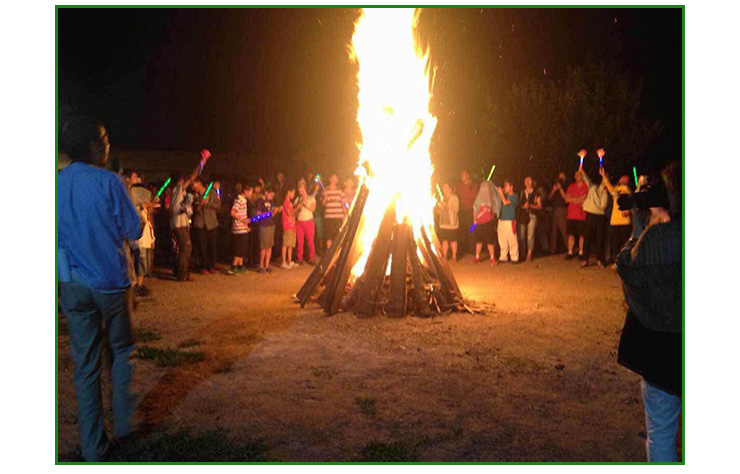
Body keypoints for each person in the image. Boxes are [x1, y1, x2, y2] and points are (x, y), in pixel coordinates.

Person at [58, 119, 142, 461]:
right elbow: (134, 229)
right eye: (105, 139)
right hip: (110, 282)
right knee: (122, 350)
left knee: (86, 366)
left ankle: (94, 447)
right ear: (93, 145)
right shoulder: (109, 181)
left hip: (72, 284)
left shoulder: (56, 183)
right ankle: (124, 423)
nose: (108, 145)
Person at [616, 162, 681, 462]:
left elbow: (626, 267)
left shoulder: (658, 239)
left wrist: (639, 228)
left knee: (662, 433)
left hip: (663, 353)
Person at [169, 149, 212, 281]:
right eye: (183, 180)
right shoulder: (178, 189)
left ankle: (179, 272)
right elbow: (193, 176)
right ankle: (182, 274)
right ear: (180, 181)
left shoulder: (175, 192)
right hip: (179, 224)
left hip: (178, 223)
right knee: (186, 248)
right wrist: (202, 162)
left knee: (183, 249)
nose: (186, 182)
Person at [599, 167, 633, 268]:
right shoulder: (618, 189)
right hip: (616, 220)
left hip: (623, 221)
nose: (621, 179)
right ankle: (619, 262)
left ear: (627, 181)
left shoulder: (625, 189)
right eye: (621, 178)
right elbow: (611, 189)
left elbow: (612, 190)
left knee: (623, 243)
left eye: (624, 179)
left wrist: (604, 177)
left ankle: (624, 262)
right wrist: (604, 176)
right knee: (616, 243)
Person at [580, 165, 609, 267]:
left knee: (599, 238)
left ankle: (600, 259)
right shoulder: (593, 187)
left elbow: (603, 206)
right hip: (590, 215)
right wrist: (581, 165)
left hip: (600, 216)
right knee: (587, 237)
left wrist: (595, 202)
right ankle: (585, 259)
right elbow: (585, 178)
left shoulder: (605, 191)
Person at [471, 180, 501, 264]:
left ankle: (492, 258)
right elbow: (475, 209)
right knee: (478, 240)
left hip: (489, 222)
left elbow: (495, 209)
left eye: (486, 187)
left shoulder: (492, 198)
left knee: (490, 240)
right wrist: (475, 220)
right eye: (483, 187)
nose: (485, 189)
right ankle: (477, 256)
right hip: (479, 223)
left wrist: (489, 210)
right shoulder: (478, 198)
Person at [228, 183, 252, 275]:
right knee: (239, 248)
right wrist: (243, 220)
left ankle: (240, 265)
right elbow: (232, 212)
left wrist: (246, 226)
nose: (251, 194)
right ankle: (233, 267)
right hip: (238, 229)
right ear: (245, 191)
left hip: (242, 228)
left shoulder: (244, 200)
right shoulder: (239, 200)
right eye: (250, 192)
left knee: (243, 248)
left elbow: (243, 215)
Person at [518, 176, 542, 262]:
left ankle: (529, 254)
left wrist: (530, 206)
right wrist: (523, 207)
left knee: (530, 236)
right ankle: (523, 253)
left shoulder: (536, 193)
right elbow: (518, 205)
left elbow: (539, 206)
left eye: (530, 180)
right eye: (526, 180)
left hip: (532, 215)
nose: (528, 182)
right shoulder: (521, 193)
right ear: (524, 182)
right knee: (521, 235)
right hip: (523, 216)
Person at [564, 169, 588, 260]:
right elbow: (567, 199)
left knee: (582, 235)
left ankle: (581, 252)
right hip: (571, 215)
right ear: (574, 176)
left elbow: (584, 199)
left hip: (581, 215)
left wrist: (573, 199)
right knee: (571, 234)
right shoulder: (571, 186)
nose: (578, 176)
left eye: (580, 175)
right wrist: (578, 199)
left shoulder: (586, 187)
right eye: (576, 175)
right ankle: (570, 252)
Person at [457, 169, 479, 256]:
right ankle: (463, 248)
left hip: (471, 211)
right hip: (462, 211)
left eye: (464, 174)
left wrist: (468, 193)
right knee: (462, 229)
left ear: (468, 175)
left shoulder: (473, 185)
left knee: (472, 229)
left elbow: (474, 195)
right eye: (461, 175)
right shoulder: (459, 186)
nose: (462, 176)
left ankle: (472, 248)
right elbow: (460, 195)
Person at [497, 180, 519, 263]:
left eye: (506, 186)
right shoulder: (504, 195)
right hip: (501, 219)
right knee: (502, 239)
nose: (504, 187)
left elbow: (505, 202)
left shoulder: (514, 196)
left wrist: (501, 193)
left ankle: (514, 257)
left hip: (510, 220)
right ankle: (503, 256)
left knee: (512, 239)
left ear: (511, 187)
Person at [436, 182, 459, 261]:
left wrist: (446, 206)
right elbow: (439, 211)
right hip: (443, 223)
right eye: (443, 188)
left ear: (450, 189)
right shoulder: (441, 198)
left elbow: (456, 208)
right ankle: (445, 256)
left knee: (453, 240)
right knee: (444, 240)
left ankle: (454, 256)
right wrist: (439, 207)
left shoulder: (454, 198)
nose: (444, 189)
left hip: (452, 223)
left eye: (446, 187)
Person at [257, 187, 278, 273]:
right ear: (266, 193)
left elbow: (272, 214)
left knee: (269, 246)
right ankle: (261, 266)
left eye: (273, 196)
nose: (271, 197)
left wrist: (276, 211)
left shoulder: (271, 202)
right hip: (264, 225)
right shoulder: (260, 201)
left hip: (271, 224)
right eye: (270, 195)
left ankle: (267, 265)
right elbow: (258, 214)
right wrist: (269, 213)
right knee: (264, 246)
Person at [295, 183, 317, 265]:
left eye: (302, 190)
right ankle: (300, 258)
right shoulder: (298, 199)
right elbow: (294, 210)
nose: (300, 191)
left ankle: (311, 258)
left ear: (305, 190)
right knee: (300, 241)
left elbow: (313, 209)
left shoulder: (311, 198)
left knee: (310, 241)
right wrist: (298, 207)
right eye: (299, 190)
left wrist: (305, 205)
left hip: (309, 221)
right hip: (300, 221)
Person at [323, 173, 345, 249]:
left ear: (337, 180)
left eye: (335, 178)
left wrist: (345, 215)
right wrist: (325, 196)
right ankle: (329, 255)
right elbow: (323, 204)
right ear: (330, 179)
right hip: (329, 217)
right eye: (332, 177)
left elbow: (343, 204)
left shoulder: (340, 191)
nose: (334, 179)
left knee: (337, 236)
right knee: (329, 236)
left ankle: (335, 255)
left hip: (338, 217)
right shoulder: (326, 190)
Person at [549, 172, 569, 254]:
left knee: (564, 229)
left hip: (562, 209)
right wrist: (553, 190)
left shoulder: (566, 186)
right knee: (554, 230)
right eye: (559, 177)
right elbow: (549, 198)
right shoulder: (555, 187)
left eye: (562, 177)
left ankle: (569, 248)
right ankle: (552, 250)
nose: (560, 179)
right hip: (555, 209)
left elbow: (566, 199)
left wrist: (560, 189)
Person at [281, 186, 298, 269]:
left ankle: (289, 260)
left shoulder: (289, 202)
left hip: (292, 225)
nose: (294, 195)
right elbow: (290, 213)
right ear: (288, 192)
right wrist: (298, 207)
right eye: (293, 193)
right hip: (287, 225)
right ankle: (284, 262)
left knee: (290, 244)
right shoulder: (286, 202)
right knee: (286, 244)